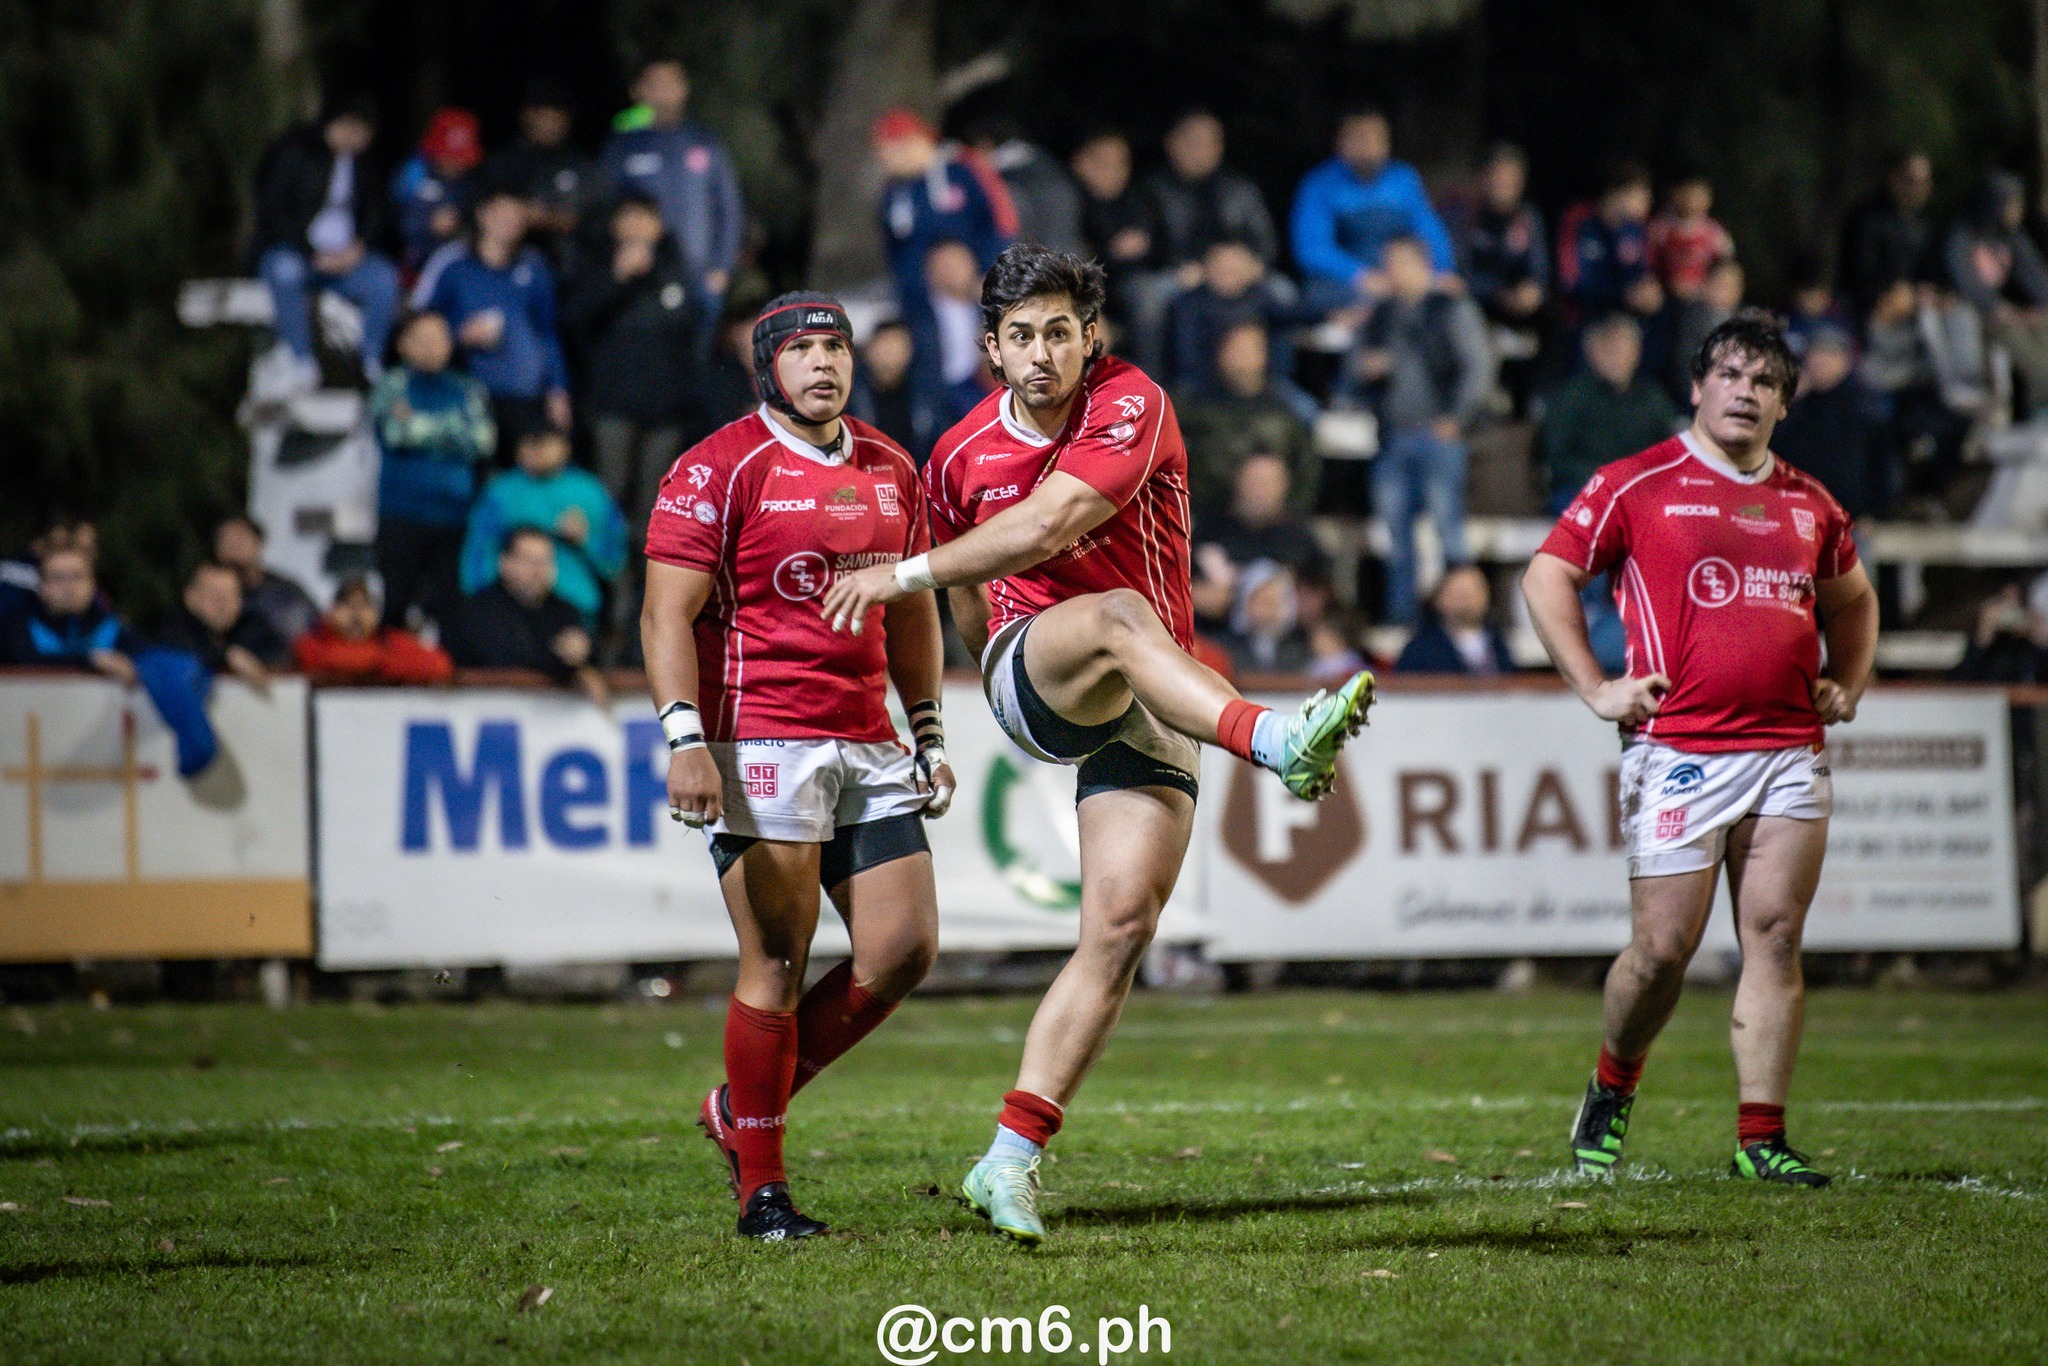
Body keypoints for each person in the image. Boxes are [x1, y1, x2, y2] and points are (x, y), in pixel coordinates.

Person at [819, 244, 1374, 1245]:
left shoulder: (1131, 400)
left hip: (1154, 688)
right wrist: (979, 671)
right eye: (1021, 335)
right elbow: (970, 592)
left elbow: (1054, 518)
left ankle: (1006, 1159)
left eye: (1058, 332)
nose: (1041, 353)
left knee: (1119, 927)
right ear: (991, 348)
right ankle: (1275, 737)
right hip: (1043, 669)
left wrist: (906, 574)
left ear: (1090, 338)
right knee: (1117, 614)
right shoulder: (957, 455)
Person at [1522, 309, 1878, 1188]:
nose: (1744, 392)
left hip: (1788, 749)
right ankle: (1613, 1081)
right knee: (1661, 952)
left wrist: (1848, 680)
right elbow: (1547, 575)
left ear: (1784, 404)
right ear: (1697, 387)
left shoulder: (1811, 503)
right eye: (1729, 375)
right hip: (1679, 749)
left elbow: (1855, 600)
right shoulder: (1638, 482)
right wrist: (1596, 687)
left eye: (1764, 382)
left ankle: (1761, 1138)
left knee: (1775, 935)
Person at [641, 293, 953, 1241]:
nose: (825, 363)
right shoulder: (717, 466)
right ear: (767, 367)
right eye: (804, 349)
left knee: (903, 950)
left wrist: (928, 728)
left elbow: (912, 608)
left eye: (837, 347)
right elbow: (664, 613)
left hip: (867, 738)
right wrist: (684, 739)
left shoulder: (891, 466)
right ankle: (763, 1195)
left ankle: (739, 1110)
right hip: (761, 738)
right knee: (776, 961)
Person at [1351, 235, 1491, 626]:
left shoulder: (1450, 307)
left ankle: (1461, 617)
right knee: (1396, 537)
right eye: (1388, 264)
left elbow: (1478, 367)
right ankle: (1403, 618)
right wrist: (1366, 368)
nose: (1393, 272)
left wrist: (1457, 418)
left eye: (1400, 262)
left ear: (1422, 265)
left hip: (1438, 435)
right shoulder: (1380, 314)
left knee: (1449, 530)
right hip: (1392, 436)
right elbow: (1353, 368)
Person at [563, 193, 702, 544]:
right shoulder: (594, 265)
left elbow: (693, 334)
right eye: (630, 217)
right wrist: (618, 277)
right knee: (608, 496)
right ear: (615, 225)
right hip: (612, 406)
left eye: (646, 218)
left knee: (655, 503)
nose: (638, 226)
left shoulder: (677, 269)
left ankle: (644, 576)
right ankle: (606, 573)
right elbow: (573, 319)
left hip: (666, 411)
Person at [251, 91, 401, 389]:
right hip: (299, 255)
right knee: (284, 270)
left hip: (346, 261)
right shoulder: (296, 152)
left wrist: (359, 247)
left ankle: (370, 361)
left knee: (384, 278)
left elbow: (378, 213)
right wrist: (311, 253)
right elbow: (273, 211)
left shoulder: (364, 166)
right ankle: (300, 359)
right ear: (344, 123)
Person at [599, 59, 743, 345]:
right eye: (656, 84)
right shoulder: (622, 146)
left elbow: (729, 209)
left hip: (699, 277)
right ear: (638, 91)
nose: (664, 92)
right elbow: (604, 209)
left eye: (672, 84)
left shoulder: (705, 142)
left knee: (696, 358)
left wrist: (722, 268)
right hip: (642, 280)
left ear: (684, 89)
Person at [369, 309, 496, 631]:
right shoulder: (391, 385)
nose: (432, 346)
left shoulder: (467, 387)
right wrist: (454, 428)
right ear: (403, 344)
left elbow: (482, 441)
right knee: (394, 607)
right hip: (402, 514)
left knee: (449, 611)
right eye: (422, 338)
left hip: (456, 518)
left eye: (440, 337)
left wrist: (419, 425)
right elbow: (397, 432)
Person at [1129, 110, 1277, 370]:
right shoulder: (1151, 190)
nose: (1201, 150)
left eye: (1210, 142)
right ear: (1172, 143)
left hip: (1236, 273)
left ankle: (1276, 383)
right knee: (1149, 300)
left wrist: (1248, 267)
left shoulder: (1240, 189)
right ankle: (1152, 383)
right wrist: (1189, 269)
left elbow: (1265, 245)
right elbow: (1143, 248)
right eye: (1193, 141)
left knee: (1283, 294)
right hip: (1179, 274)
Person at [419, 189, 572, 436]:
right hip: (463, 395)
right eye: (501, 214)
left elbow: (547, 331)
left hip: (524, 396)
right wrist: (457, 336)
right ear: (482, 214)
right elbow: (419, 325)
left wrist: (557, 389)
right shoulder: (452, 263)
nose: (508, 222)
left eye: (516, 217)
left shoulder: (533, 266)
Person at [1289, 105, 1456, 312]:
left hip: (1401, 273)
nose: (1367, 147)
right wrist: (1361, 275)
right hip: (1347, 282)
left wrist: (1439, 272)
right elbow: (1312, 249)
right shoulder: (1320, 183)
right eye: (1359, 138)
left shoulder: (1403, 178)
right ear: (1341, 142)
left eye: (1375, 138)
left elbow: (1430, 231)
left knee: (1448, 294)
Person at [461, 420, 627, 630]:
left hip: (573, 603)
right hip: (510, 602)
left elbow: (615, 561)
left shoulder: (589, 491)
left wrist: (586, 538)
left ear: (565, 447)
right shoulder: (502, 490)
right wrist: (480, 602)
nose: (532, 450)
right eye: (526, 443)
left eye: (541, 443)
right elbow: (477, 552)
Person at [445, 525, 608, 706]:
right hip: (487, 709)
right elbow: (509, 661)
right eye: (529, 560)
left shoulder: (563, 611)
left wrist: (585, 651)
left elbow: (595, 654)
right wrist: (569, 666)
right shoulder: (479, 611)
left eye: (545, 561)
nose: (538, 570)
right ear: (504, 563)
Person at [1537, 313, 1681, 510]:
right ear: (1592, 352)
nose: (1619, 358)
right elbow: (1558, 457)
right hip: (1583, 490)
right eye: (1611, 350)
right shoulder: (1571, 397)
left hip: (1640, 491)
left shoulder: (1652, 397)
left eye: (1626, 350)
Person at [1177, 322, 1319, 518]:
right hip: (1206, 515)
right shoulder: (1192, 409)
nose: (1241, 358)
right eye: (1234, 349)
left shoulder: (1286, 411)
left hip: (1276, 519)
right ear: (1220, 354)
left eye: (1248, 350)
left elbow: (1306, 468)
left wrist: (1292, 513)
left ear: (1264, 355)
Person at [1451, 143, 1549, 411]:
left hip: (1516, 303)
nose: (1504, 184)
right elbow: (1458, 273)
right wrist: (1497, 292)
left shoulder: (1527, 217)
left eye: (1512, 178)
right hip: (1478, 300)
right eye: (1498, 176)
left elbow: (1539, 269)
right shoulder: (1464, 214)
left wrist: (1533, 289)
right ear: (1484, 178)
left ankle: (1532, 403)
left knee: (1553, 318)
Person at [1944, 171, 2048, 414]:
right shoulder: (1963, 235)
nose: (2018, 210)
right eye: (2013, 204)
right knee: (2017, 339)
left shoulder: (2012, 236)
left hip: (2007, 311)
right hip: (1972, 312)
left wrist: (2042, 304)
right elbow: (1964, 281)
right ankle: (2041, 396)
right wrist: (1995, 307)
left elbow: (2033, 275)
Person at [1771, 324, 1892, 520]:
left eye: (1829, 354)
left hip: (1849, 514)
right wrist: (1790, 400)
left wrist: (1873, 512)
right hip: (1796, 511)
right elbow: (1772, 450)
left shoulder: (1863, 404)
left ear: (1845, 361)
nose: (1821, 361)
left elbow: (1881, 462)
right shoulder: (1794, 405)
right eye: (1816, 354)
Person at [1192, 453, 1327, 626]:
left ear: (1284, 486)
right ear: (1237, 481)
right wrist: (1198, 596)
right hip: (1213, 633)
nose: (1259, 491)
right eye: (1253, 481)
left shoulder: (1300, 537)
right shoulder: (1208, 529)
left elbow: (1323, 596)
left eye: (1268, 483)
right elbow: (1173, 585)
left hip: (1284, 637)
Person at [1163, 237, 1311, 394]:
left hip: (1264, 385)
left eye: (1234, 269)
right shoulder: (1189, 303)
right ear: (1207, 268)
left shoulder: (1261, 297)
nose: (1228, 274)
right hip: (1205, 386)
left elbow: (1291, 318)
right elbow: (1186, 357)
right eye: (1222, 268)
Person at [484, 76, 594, 259]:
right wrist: (521, 213)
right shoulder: (503, 162)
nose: (551, 124)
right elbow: (482, 209)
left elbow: (596, 219)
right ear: (527, 115)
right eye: (544, 116)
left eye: (557, 117)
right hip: (510, 260)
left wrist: (554, 219)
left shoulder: (581, 165)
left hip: (569, 263)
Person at [0, 543, 141, 682]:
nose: (69, 586)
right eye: (58, 578)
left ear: (93, 584)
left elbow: (146, 662)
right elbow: (28, 662)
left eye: (78, 576)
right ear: (42, 587)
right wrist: (90, 661)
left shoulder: (113, 628)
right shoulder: (16, 628)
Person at [292, 576, 454, 685]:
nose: (357, 615)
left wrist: (379, 662)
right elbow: (330, 659)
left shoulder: (389, 640)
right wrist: (382, 663)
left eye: (364, 606)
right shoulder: (314, 641)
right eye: (348, 605)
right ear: (332, 612)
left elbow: (439, 664)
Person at [1556, 161, 1660, 329]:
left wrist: (1649, 293)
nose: (1649, 201)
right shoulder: (1578, 220)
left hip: (1624, 321)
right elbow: (1570, 282)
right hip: (1583, 322)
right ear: (1617, 194)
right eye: (1641, 194)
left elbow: (1642, 273)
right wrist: (1623, 294)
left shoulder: (1635, 230)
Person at [1836, 149, 1936, 323]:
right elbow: (1858, 275)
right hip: (1868, 310)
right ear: (1894, 178)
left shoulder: (1925, 224)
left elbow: (1930, 273)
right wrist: (1892, 293)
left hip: (1913, 305)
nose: (1917, 189)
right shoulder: (1867, 218)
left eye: (1923, 182)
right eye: (1911, 181)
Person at [156, 562, 292, 686]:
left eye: (232, 595)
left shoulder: (252, 625)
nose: (224, 605)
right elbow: (176, 655)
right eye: (215, 596)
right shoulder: (174, 627)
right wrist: (226, 656)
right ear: (191, 598)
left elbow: (280, 657)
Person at [1070, 128, 1153, 329]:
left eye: (1121, 163)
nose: (1115, 171)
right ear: (1080, 162)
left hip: (1128, 290)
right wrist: (1110, 253)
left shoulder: (1138, 200)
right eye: (1104, 163)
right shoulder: (1067, 204)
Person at [968, 117, 1084, 254]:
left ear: (985, 143)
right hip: (1064, 253)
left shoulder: (1008, 178)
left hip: (1041, 254)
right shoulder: (1043, 161)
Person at [391, 107, 482, 275]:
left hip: (459, 263)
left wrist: (459, 225)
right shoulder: (415, 171)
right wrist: (428, 225)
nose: (456, 163)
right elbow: (395, 222)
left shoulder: (471, 182)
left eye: (461, 157)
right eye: (450, 156)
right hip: (415, 263)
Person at [212, 514, 319, 646]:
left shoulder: (285, 590)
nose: (234, 545)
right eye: (226, 540)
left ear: (258, 542)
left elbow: (314, 630)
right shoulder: (212, 596)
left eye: (240, 537)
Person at [1394, 564, 1512, 675]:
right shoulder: (1419, 651)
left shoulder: (1498, 645)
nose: (1467, 599)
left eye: (1474, 591)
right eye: (1458, 593)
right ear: (1439, 598)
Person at [849, 318, 936, 462]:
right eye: (884, 345)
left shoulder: (925, 397)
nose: (890, 353)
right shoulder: (849, 396)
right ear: (869, 350)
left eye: (897, 346)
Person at [1646, 174, 1734, 303]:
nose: (1693, 201)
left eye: (1700, 196)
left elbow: (1726, 263)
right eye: (1689, 195)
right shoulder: (1661, 227)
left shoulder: (1713, 231)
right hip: (1665, 295)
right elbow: (1648, 260)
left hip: (1703, 298)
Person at [1219, 560, 1311, 674]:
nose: (1267, 610)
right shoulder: (1223, 648)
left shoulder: (1302, 648)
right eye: (1261, 601)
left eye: (1273, 602)